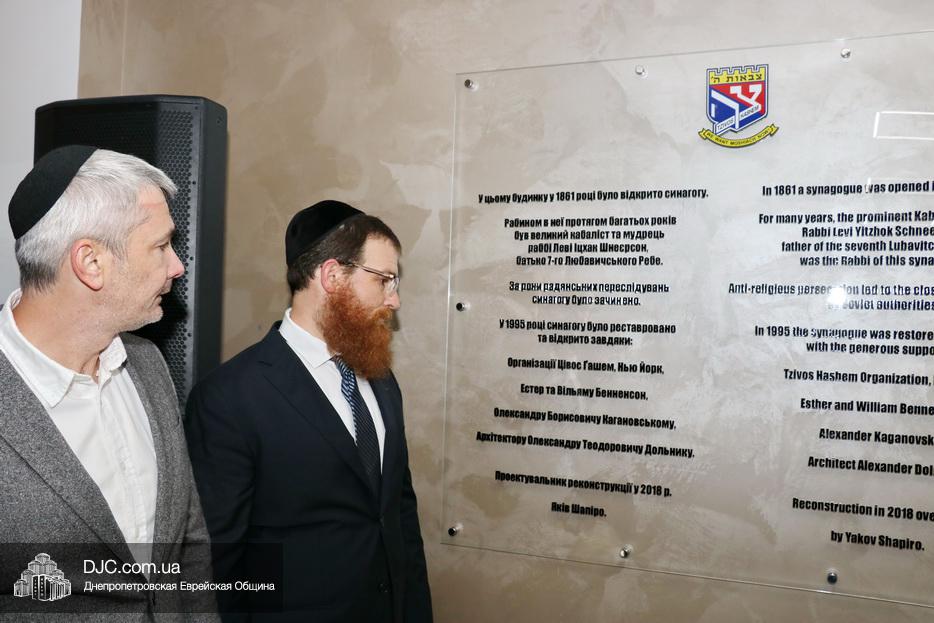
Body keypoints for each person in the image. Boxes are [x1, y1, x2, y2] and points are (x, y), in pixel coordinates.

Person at [185, 200, 432, 622]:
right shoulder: (230, 397)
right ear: (332, 276)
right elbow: (215, 562)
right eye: (384, 280)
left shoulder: (381, 379)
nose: (394, 300)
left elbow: (400, 517)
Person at [0, 146, 217, 619]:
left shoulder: (147, 364)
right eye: (160, 246)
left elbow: (188, 544)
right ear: (91, 262)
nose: (177, 266)